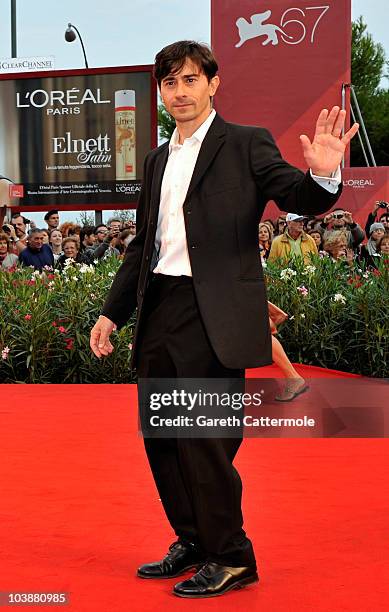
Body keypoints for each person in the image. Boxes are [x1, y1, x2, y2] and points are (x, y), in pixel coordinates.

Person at [89, 41, 358, 599]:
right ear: (161, 92)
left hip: (213, 314)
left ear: (213, 83)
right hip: (161, 308)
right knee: (163, 438)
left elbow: (295, 194)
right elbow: (145, 245)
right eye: (169, 82)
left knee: (205, 440)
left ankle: (232, 555)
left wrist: (325, 178)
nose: (180, 91)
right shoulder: (156, 160)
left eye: (190, 80)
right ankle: (193, 540)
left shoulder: (246, 143)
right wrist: (112, 314)